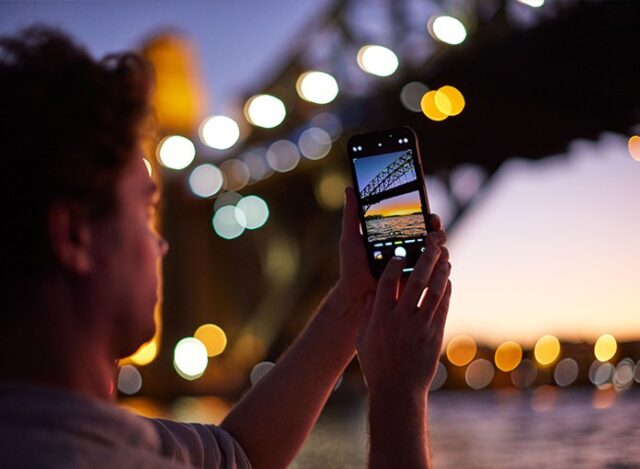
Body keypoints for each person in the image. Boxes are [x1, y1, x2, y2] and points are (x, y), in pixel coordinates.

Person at [0, 27, 451, 469]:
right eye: (143, 213)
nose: (161, 243)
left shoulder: (80, 434)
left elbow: (239, 453)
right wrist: (397, 396)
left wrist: (351, 302)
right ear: (74, 236)